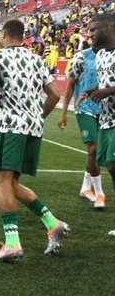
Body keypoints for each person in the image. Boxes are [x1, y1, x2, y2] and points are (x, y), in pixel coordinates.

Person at [0, 19, 69, 262]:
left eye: (0, 32)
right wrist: (38, 117)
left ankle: (12, 243)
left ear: (5, 32)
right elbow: (54, 94)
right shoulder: (37, 59)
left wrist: (1, 93)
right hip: (33, 128)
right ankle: (53, 223)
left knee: (0, 179)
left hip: (10, 126)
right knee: (11, 183)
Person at [76, 15, 115, 236]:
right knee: (111, 169)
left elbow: (109, 88)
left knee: (112, 165)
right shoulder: (100, 56)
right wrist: (90, 91)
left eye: (93, 30)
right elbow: (105, 83)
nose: (89, 34)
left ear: (108, 27)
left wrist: (107, 91)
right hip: (106, 119)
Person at [58, 46, 105, 208]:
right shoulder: (82, 57)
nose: (93, 34)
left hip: (106, 110)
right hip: (84, 108)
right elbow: (71, 84)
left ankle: (85, 188)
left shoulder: (110, 56)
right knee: (93, 149)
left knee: (97, 152)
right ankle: (100, 193)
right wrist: (64, 112)